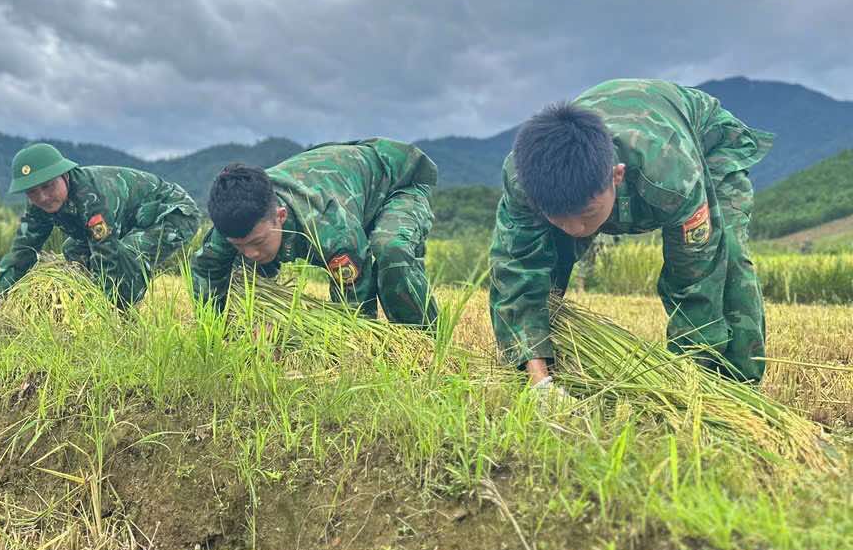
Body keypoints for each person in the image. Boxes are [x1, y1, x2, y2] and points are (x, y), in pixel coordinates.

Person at [489, 78, 773, 388]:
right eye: (559, 217)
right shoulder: (523, 178)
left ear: (617, 176)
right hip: (624, 149)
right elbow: (516, 269)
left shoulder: (671, 177)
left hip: (704, 144)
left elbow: (698, 278)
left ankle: (733, 382)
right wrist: (538, 384)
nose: (575, 230)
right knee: (545, 258)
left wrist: (689, 384)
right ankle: (546, 369)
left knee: (727, 254)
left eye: (587, 214)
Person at [190, 138, 439, 326]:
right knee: (238, 271)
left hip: (397, 179)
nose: (251, 252)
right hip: (344, 187)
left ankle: (422, 345)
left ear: (280, 216)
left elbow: (355, 310)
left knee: (390, 249)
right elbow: (206, 269)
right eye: (238, 245)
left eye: (257, 241)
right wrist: (215, 332)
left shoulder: (330, 230)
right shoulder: (235, 220)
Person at [0, 143, 200, 307]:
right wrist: (3, 297)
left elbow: (106, 255)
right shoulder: (37, 205)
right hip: (130, 220)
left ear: (65, 176)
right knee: (72, 249)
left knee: (125, 256)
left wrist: (104, 309)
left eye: (48, 186)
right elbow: (22, 250)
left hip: (172, 214)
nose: (42, 197)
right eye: (32, 191)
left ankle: (124, 316)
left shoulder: (92, 198)